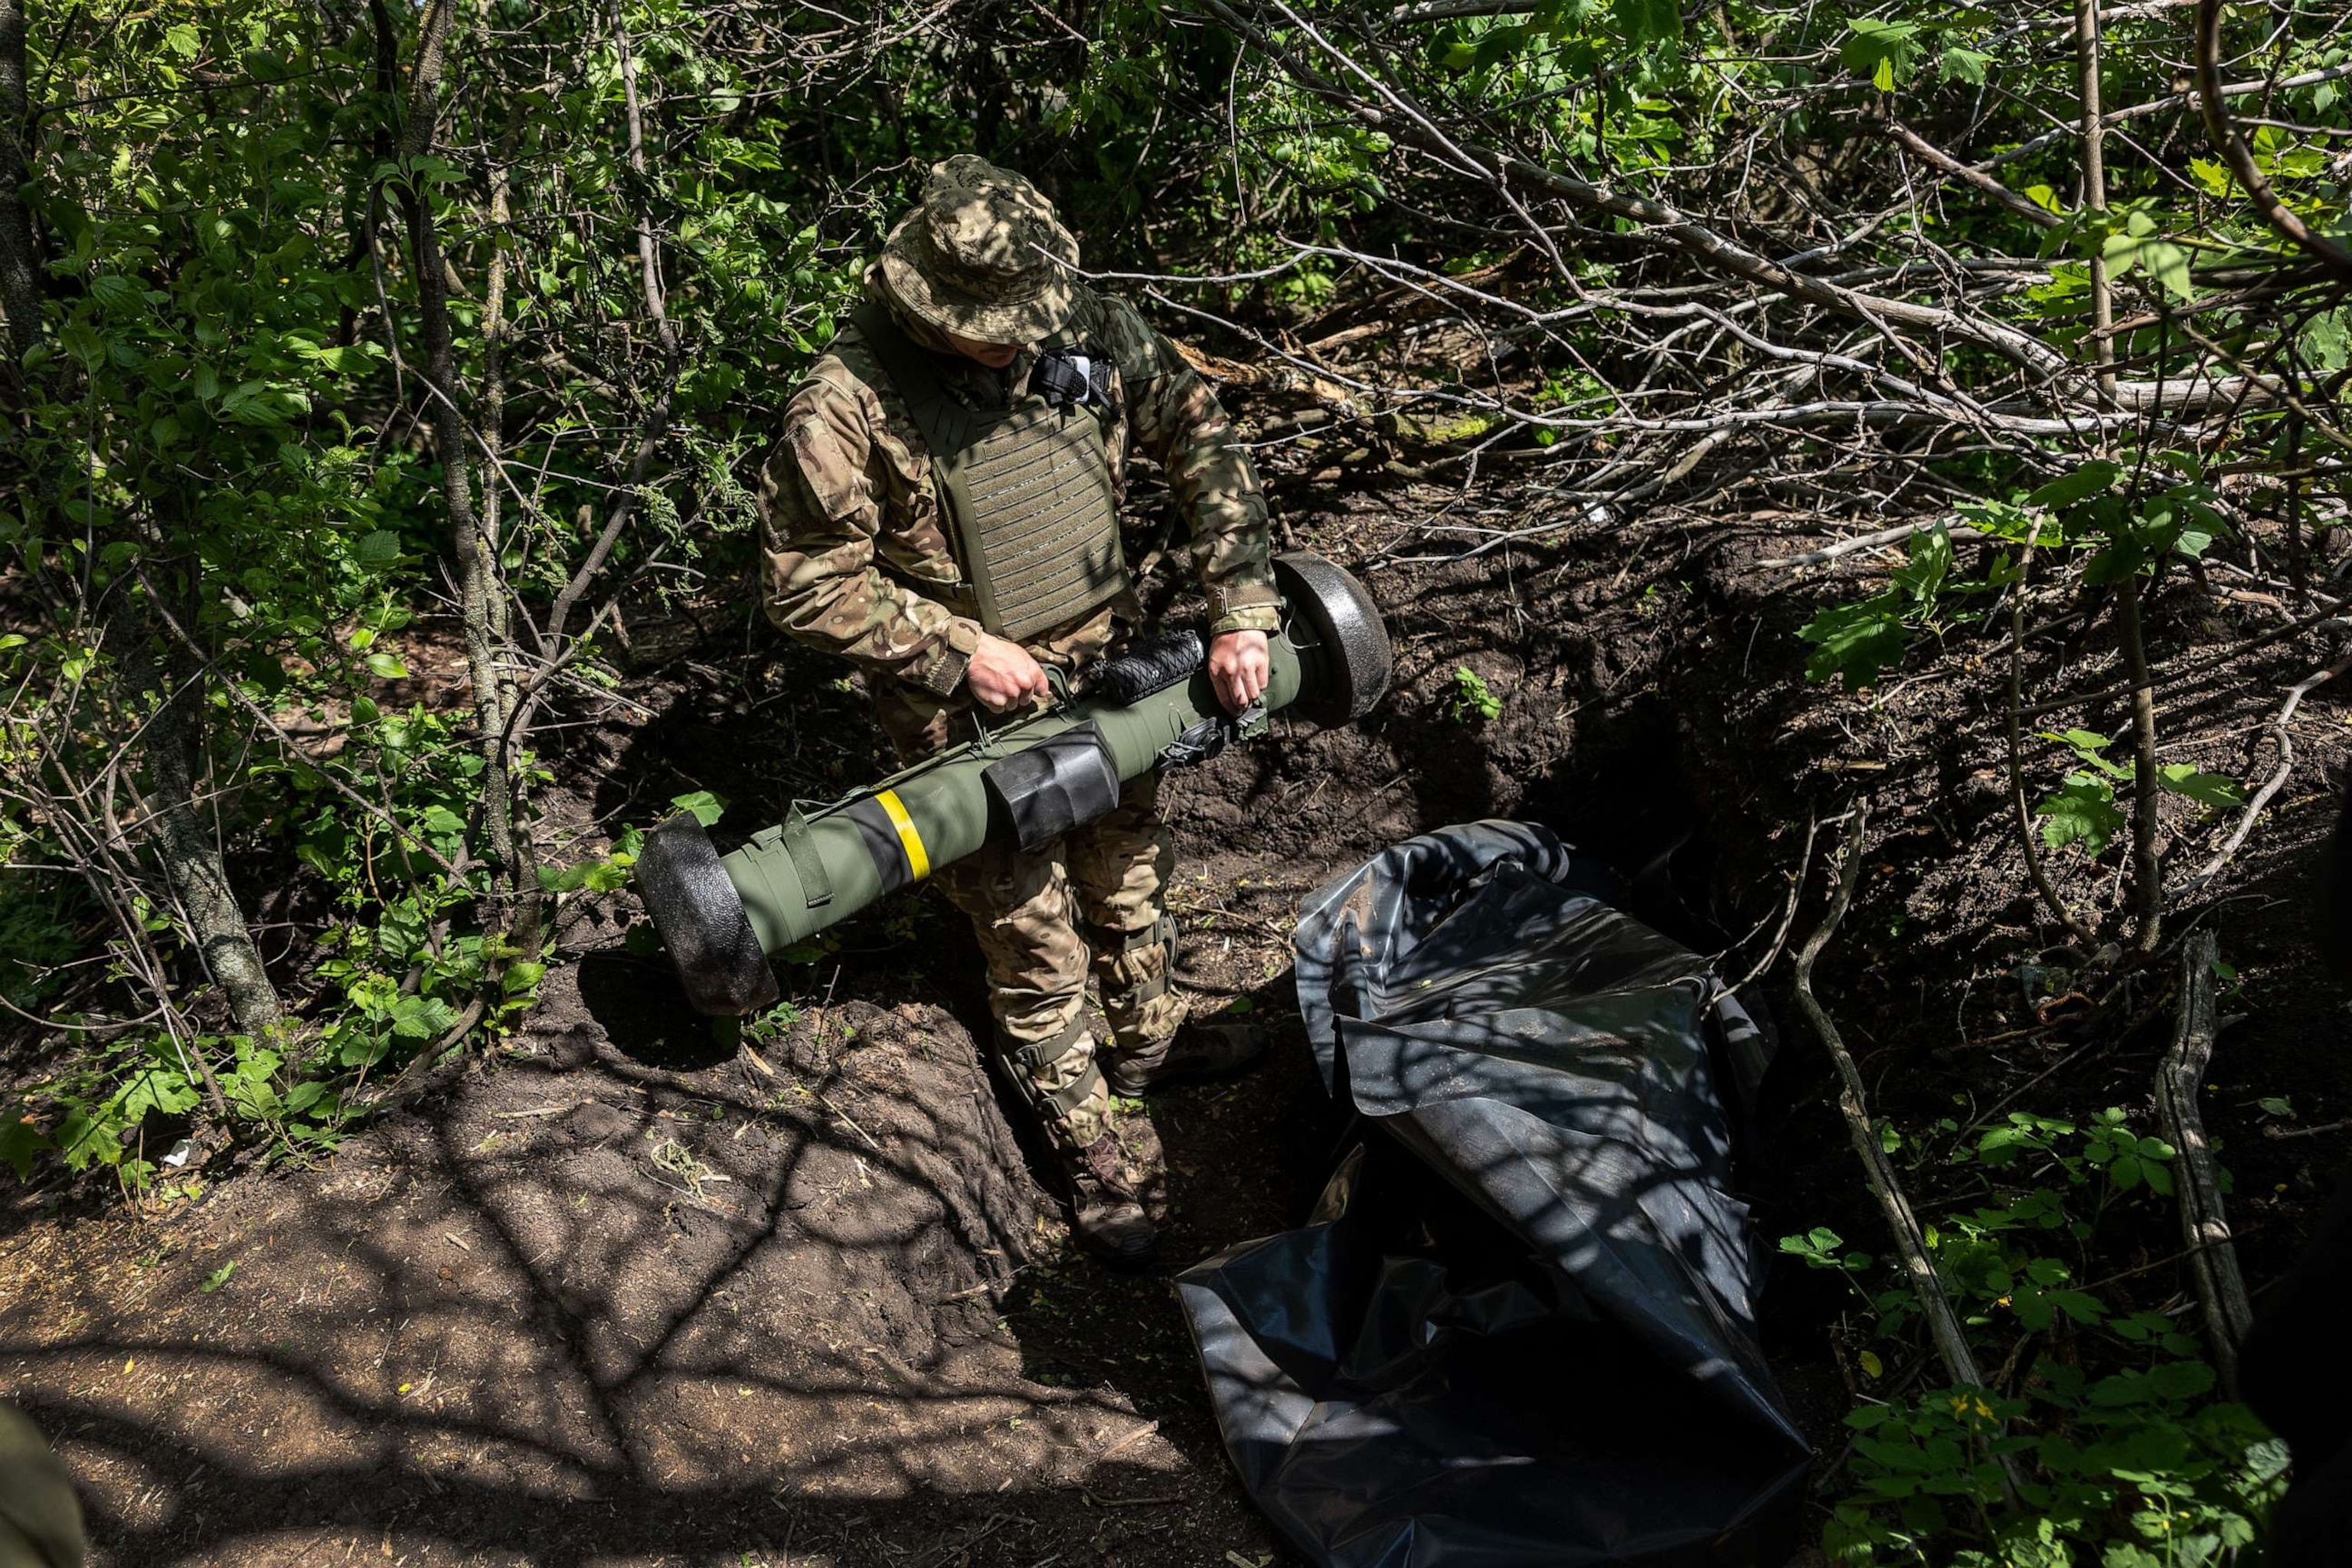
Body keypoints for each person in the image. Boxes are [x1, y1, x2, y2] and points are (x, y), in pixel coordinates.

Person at [757, 156, 1279, 1260]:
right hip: (964, 718)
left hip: (1105, 667)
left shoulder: (1077, 319)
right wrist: (955, 648)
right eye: (994, 329)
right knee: (1029, 923)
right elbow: (805, 582)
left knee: (1129, 851)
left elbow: (1201, 435)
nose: (1024, 343)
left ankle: (1148, 1032)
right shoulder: (844, 403)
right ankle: (1088, 1142)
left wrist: (1241, 607)